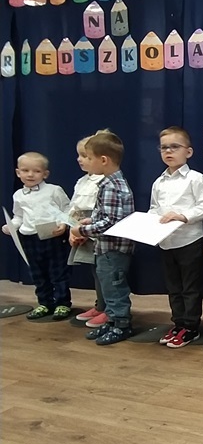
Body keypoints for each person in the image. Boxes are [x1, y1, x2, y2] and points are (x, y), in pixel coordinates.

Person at [149, 126, 203, 348]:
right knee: (173, 287)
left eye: (175, 147)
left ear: (188, 152)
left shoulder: (195, 178)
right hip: (167, 242)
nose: (168, 151)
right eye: (164, 147)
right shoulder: (159, 182)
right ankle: (178, 323)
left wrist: (183, 216)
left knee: (190, 288)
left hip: (189, 241)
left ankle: (191, 327)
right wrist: (149, 222)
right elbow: (154, 208)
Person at [70, 130, 135, 346]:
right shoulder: (109, 183)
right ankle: (112, 320)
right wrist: (91, 220)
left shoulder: (112, 186)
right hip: (106, 248)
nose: (86, 161)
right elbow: (107, 215)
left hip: (113, 249)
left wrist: (82, 231)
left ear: (104, 160)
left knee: (115, 287)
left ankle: (122, 324)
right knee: (107, 286)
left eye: (89, 158)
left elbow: (111, 223)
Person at [2, 151, 72, 320]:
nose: (30, 175)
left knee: (58, 272)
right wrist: (11, 226)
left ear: (45, 174)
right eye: (25, 170)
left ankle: (62, 303)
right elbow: (19, 216)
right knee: (38, 273)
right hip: (30, 238)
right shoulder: (18, 195)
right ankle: (45, 303)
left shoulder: (54, 190)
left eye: (36, 171)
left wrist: (63, 224)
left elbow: (67, 209)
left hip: (52, 237)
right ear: (18, 172)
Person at [68, 135, 107, 328]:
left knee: (105, 272)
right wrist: (72, 230)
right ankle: (100, 305)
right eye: (79, 155)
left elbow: (102, 211)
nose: (80, 159)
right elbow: (73, 207)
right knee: (95, 271)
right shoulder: (81, 181)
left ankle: (109, 309)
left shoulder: (105, 181)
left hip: (97, 231)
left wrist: (85, 230)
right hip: (81, 229)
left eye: (85, 156)